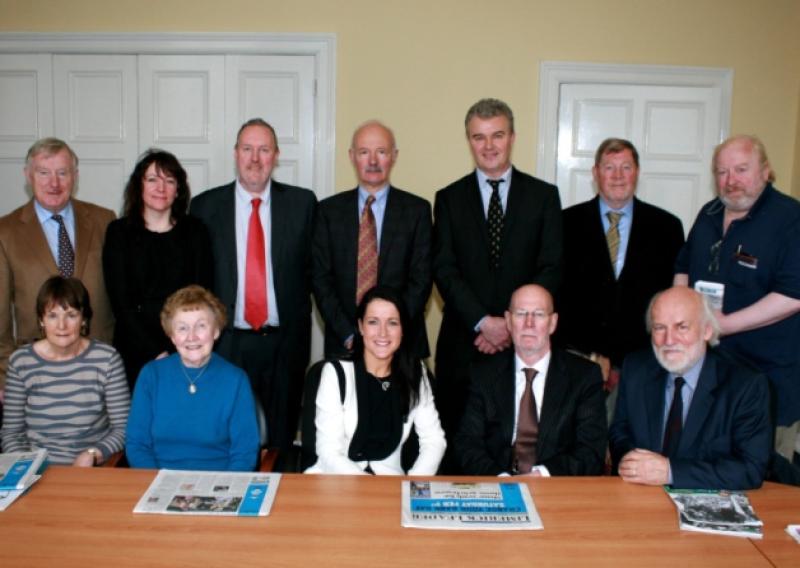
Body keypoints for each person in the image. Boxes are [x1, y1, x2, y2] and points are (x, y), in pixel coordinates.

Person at [433, 98, 563, 462]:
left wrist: (509, 324)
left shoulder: (544, 197)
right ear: (468, 140)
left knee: (518, 449)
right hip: (464, 345)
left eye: (497, 135)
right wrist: (483, 322)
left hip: (525, 344)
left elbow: (551, 267)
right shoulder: (448, 199)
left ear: (512, 138)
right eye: (479, 137)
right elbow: (444, 269)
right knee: (461, 452)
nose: (488, 146)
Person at [190, 118, 317, 463]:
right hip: (227, 341)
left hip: (285, 342)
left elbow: (315, 273)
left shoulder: (303, 205)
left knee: (281, 440)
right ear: (235, 154)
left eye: (264, 150)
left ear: (276, 155)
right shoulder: (204, 208)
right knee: (227, 435)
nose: (255, 158)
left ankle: (280, 506)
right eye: (248, 149)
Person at [674, 134, 800, 460]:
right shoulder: (709, 214)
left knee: (765, 476)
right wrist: (681, 316)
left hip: (768, 378)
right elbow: (684, 266)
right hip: (711, 371)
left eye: (741, 170)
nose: (731, 181)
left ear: (766, 171)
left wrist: (726, 324)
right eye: (722, 172)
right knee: (711, 467)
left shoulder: (790, 219)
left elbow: (792, 295)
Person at [609, 286, 771, 490]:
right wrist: (630, 461)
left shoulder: (745, 385)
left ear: (707, 330)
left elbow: (750, 469)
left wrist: (669, 472)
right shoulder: (636, 369)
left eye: (681, 327)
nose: (669, 340)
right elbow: (620, 431)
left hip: (710, 506)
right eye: (660, 328)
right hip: (642, 497)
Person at [557, 138, 684, 397]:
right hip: (580, 363)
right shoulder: (565, 224)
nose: (617, 176)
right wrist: (586, 354)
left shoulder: (667, 227)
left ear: (637, 172)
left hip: (645, 366)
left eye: (625, 167)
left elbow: (674, 299)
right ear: (595, 173)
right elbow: (556, 294)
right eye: (609, 167)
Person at [0, 137, 115, 401]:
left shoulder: (104, 220)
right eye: (44, 173)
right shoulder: (5, 232)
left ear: (75, 176)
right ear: (28, 175)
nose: (54, 183)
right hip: (36, 370)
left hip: (98, 365)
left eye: (62, 173)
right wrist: (6, 375)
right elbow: (0, 318)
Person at [455, 284, 606, 476]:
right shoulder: (483, 374)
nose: (529, 323)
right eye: (521, 314)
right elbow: (467, 444)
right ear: (508, 321)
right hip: (498, 487)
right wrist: (501, 479)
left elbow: (591, 451)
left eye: (539, 314)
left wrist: (541, 474)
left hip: (557, 487)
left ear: (553, 322)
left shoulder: (584, 376)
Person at [312, 121, 432, 359]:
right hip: (343, 343)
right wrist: (349, 334)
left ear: (394, 156)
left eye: (382, 152)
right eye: (364, 152)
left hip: (402, 346)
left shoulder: (417, 211)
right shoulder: (328, 212)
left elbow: (421, 280)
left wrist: (388, 333)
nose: (373, 161)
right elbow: (321, 281)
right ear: (352, 156)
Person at [305, 285, 446, 475]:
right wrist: (367, 489)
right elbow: (328, 451)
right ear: (361, 326)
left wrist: (412, 484)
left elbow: (434, 440)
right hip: (336, 481)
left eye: (392, 323)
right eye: (373, 322)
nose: (382, 332)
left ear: (403, 329)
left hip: (391, 485)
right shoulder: (335, 373)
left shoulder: (415, 372)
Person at [103, 149, 213, 388]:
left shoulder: (196, 233)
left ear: (178, 190)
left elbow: (203, 296)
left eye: (169, 181)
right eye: (152, 179)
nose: (161, 188)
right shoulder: (118, 233)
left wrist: (181, 348)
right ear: (138, 186)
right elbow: (121, 303)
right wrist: (155, 352)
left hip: (187, 348)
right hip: (133, 351)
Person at [126, 285, 259, 471]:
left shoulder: (236, 380)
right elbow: (137, 444)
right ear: (171, 336)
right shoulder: (151, 375)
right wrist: (155, 484)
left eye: (201, 326)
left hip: (218, 483)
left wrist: (225, 489)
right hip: (157, 482)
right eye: (182, 328)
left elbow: (244, 452)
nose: (192, 337)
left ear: (216, 331)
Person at [1, 276, 129, 466]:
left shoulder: (107, 359)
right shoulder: (21, 362)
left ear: (84, 319)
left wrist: (93, 454)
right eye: (52, 315)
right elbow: (11, 433)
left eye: (71, 315)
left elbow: (124, 428)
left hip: (90, 469)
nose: (62, 326)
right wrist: (26, 466)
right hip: (34, 470)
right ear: (41, 320)